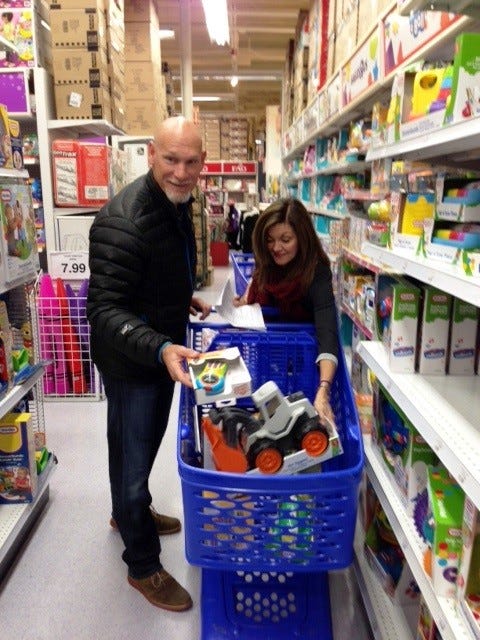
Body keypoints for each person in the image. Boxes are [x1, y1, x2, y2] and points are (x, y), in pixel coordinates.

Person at [86, 116, 212, 612]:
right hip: (133, 362)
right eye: (171, 159)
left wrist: (182, 301)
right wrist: (160, 347)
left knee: (141, 446)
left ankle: (128, 510)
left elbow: (153, 274)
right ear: (151, 155)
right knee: (133, 460)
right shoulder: (123, 220)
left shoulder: (176, 205)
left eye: (191, 162)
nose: (181, 172)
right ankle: (142, 563)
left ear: (202, 163)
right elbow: (105, 309)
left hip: (160, 351)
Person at [233, 197, 338, 424]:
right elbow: (257, 292)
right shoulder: (267, 263)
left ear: (302, 238)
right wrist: (243, 305)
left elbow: (327, 332)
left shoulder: (316, 272)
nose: (276, 248)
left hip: (304, 364)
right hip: (269, 359)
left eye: (286, 239)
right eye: (270, 240)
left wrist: (323, 389)